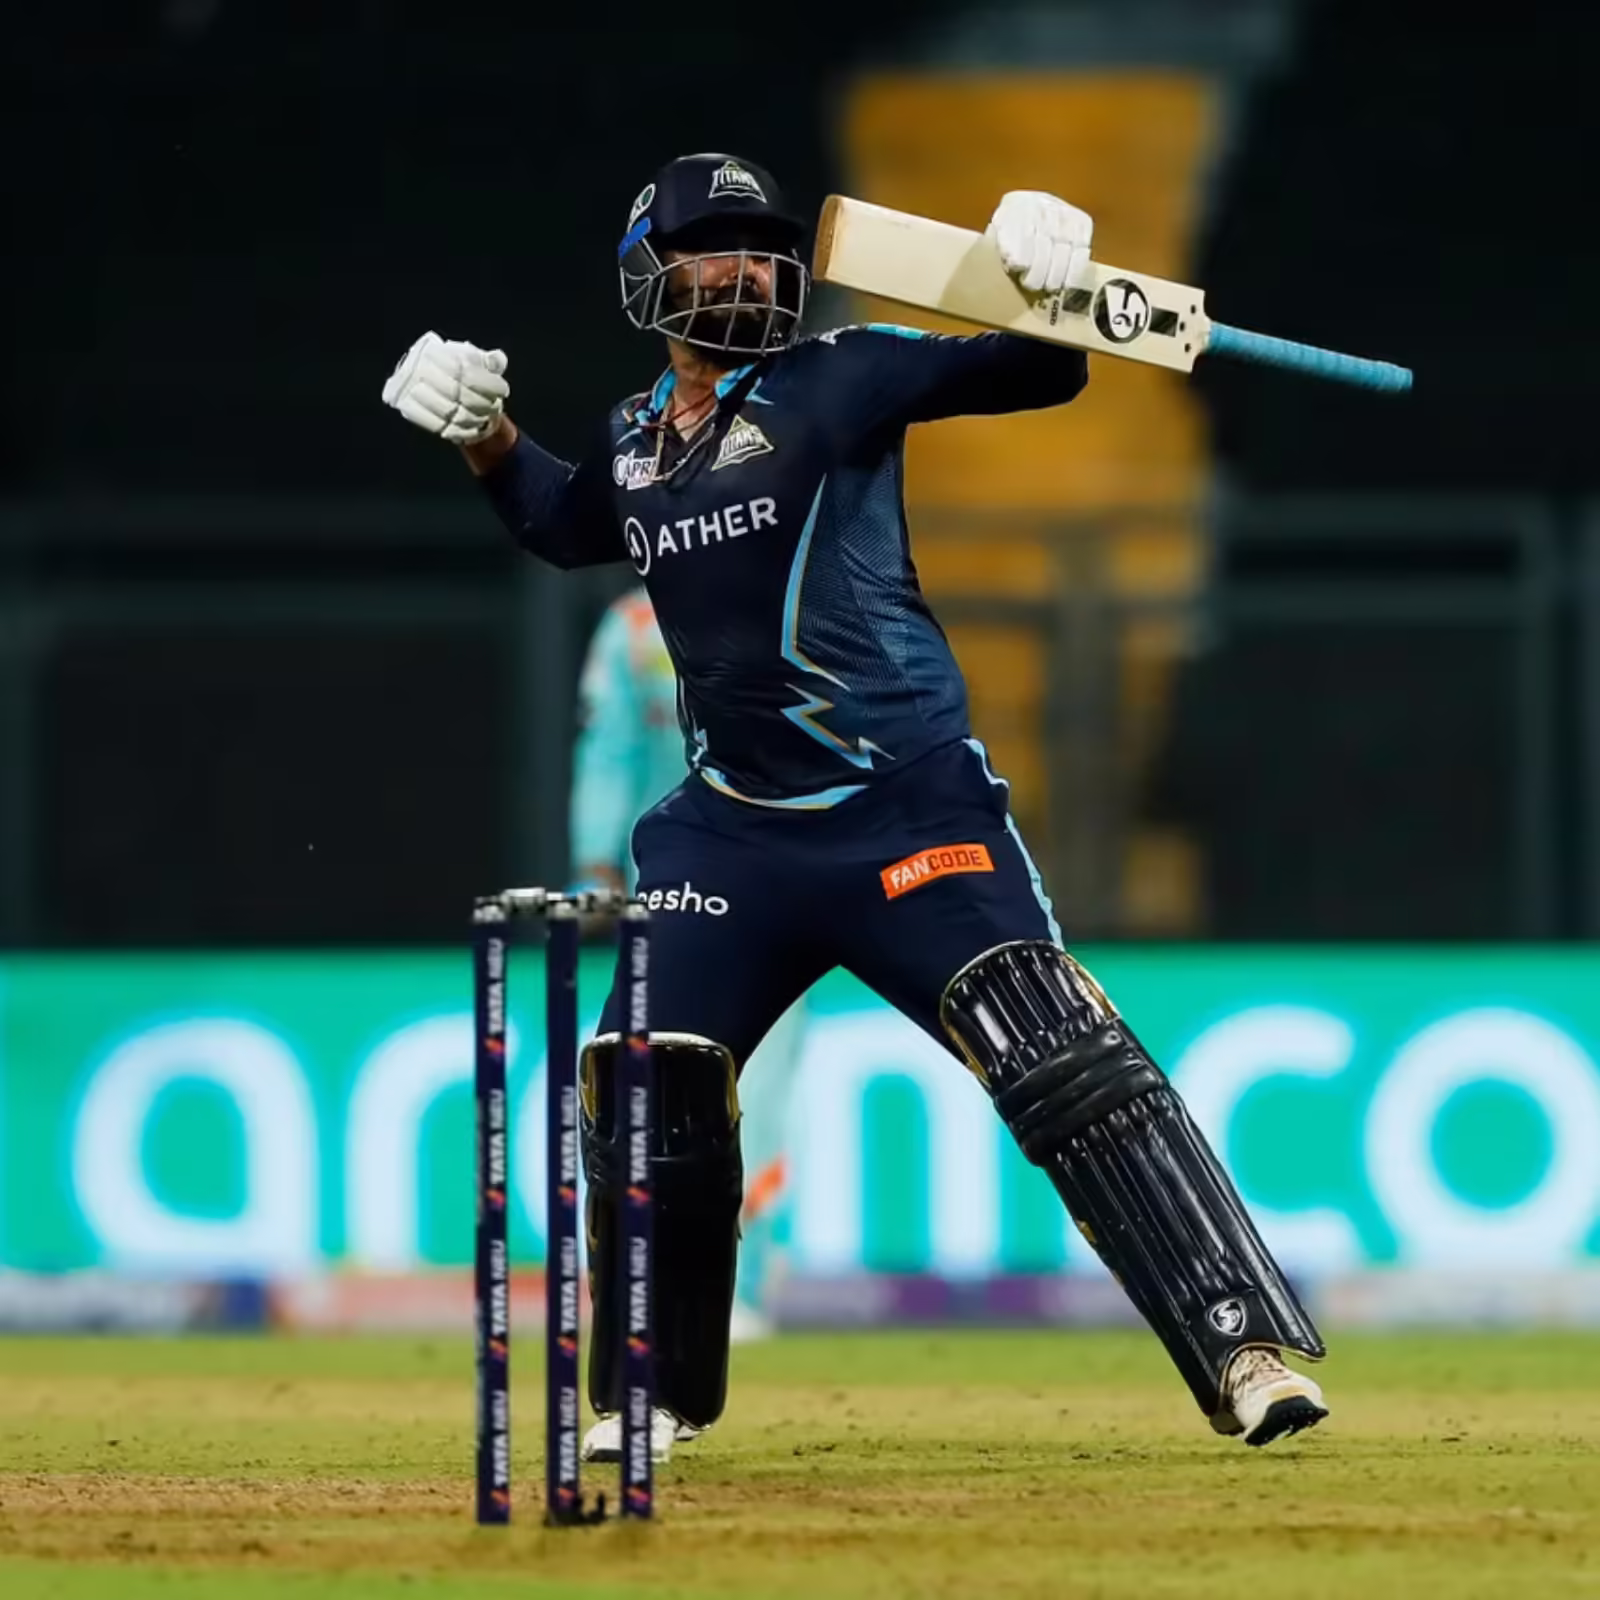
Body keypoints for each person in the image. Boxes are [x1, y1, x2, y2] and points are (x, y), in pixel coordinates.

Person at [382, 152, 1329, 1463]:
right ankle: (648, 1393)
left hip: (909, 814)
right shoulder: (634, 440)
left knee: (1056, 1054)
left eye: (764, 250)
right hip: (732, 835)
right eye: (714, 250)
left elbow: (1033, 371)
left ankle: (1243, 1348)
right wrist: (484, 434)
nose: (747, 272)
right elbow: (561, 520)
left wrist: (1040, 280)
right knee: (641, 1081)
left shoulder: (842, 377)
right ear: (647, 277)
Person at [569, 583, 804, 1340]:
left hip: (775, 886)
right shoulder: (634, 630)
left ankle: (739, 1287)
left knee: (754, 1092)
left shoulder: (789, 601)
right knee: (652, 1085)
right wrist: (596, 859)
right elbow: (608, 748)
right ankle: (644, 1282)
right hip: (683, 892)